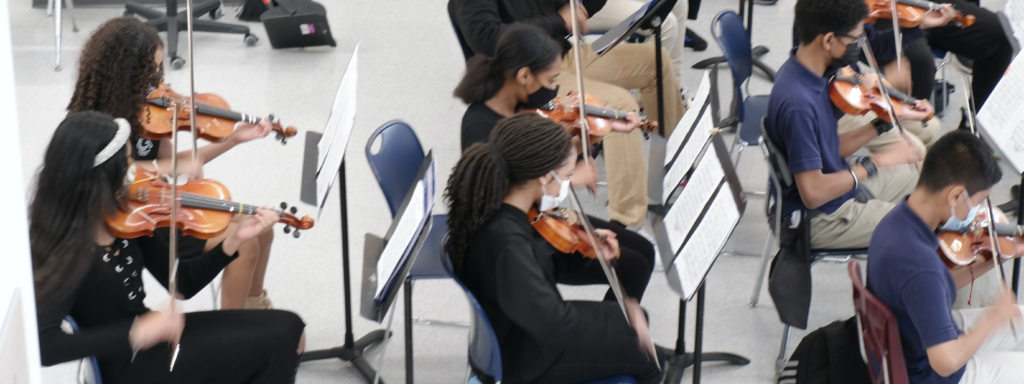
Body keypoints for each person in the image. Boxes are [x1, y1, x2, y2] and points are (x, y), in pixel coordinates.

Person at [32, 111, 306, 384]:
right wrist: (136, 333)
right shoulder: (60, 247)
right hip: (125, 365)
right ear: (102, 176)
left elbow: (182, 283)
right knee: (279, 342)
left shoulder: (125, 215)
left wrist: (232, 243)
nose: (136, 170)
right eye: (127, 163)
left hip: (157, 338)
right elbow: (44, 346)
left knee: (291, 330)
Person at [67, 17, 276, 310]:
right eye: (149, 71)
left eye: (158, 69)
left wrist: (234, 139)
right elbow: (115, 179)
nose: (158, 81)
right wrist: (171, 170)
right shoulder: (95, 124)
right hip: (138, 217)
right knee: (245, 244)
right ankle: (233, 325)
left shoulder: (152, 112)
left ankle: (255, 306)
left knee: (263, 228)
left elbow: (181, 163)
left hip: (165, 201)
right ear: (123, 72)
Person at [445, 113, 662, 384]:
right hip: (525, 357)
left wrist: (586, 251)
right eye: (566, 176)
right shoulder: (507, 242)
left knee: (636, 321)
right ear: (542, 177)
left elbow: (536, 273)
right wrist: (625, 322)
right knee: (646, 357)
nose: (566, 185)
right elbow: (554, 325)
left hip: (521, 329)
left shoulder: (500, 211)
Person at [454, 25, 657, 302]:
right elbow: (504, 198)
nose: (554, 91)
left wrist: (595, 131)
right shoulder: (481, 127)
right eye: (551, 81)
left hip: (544, 213)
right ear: (524, 75)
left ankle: (623, 336)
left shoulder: (520, 107)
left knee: (645, 249)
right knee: (634, 266)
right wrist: (573, 176)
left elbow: (542, 159)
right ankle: (622, 340)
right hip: (522, 239)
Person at [766, 0, 933, 250]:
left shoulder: (813, 74)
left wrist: (886, 120)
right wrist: (876, 162)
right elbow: (812, 194)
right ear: (828, 40)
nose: (858, 45)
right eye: (856, 39)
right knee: (927, 222)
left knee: (921, 172)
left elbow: (827, 149)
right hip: (823, 218)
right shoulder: (799, 103)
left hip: (838, 190)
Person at [867, 130, 1024, 384]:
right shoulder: (920, 266)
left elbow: (936, 286)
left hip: (908, 341)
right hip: (930, 372)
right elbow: (946, 362)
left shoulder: (898, 218)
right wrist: (994, 317)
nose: (977, 213)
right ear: (954, 196)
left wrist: (998, 256)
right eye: (977, 202)